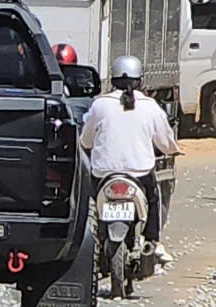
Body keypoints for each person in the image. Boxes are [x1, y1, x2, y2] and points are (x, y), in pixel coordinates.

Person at [76, 53, 178, 265]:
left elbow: (85, 141)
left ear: (112, 80)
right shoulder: (150, 106)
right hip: (139, 173)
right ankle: (153, 242)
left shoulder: (99, 105)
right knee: (153, 198)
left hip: (103, 174)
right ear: (140, 80)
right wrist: (173, 150)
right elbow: (165, 142)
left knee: (89, 201)